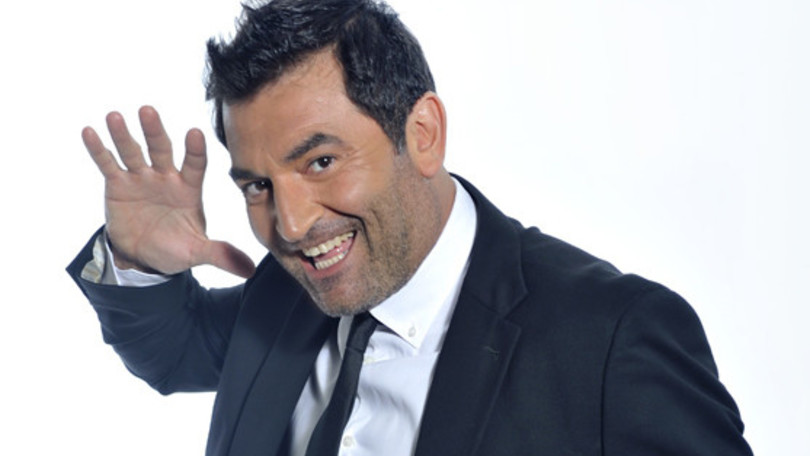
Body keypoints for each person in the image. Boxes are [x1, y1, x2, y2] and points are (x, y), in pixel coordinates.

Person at [67, 0, 754, 455]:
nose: (292, 224)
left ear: (422, 133)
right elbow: (175, 351)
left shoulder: (611, 339)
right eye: (257, 186)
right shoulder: (285, 293)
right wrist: (138, 260)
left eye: (321, 161)